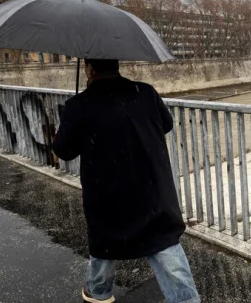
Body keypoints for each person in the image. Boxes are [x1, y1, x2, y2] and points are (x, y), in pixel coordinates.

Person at [52, 59, 199, 303]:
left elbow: (64, 150)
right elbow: (166, 124)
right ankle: (186, 300)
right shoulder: (146, 92)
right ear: (116, 65)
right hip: (151, 188)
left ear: (89, 68)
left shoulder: (79, 105)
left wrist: (72, 119)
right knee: (163, 242)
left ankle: (99, 292)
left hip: (108, 192)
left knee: (104, 242)